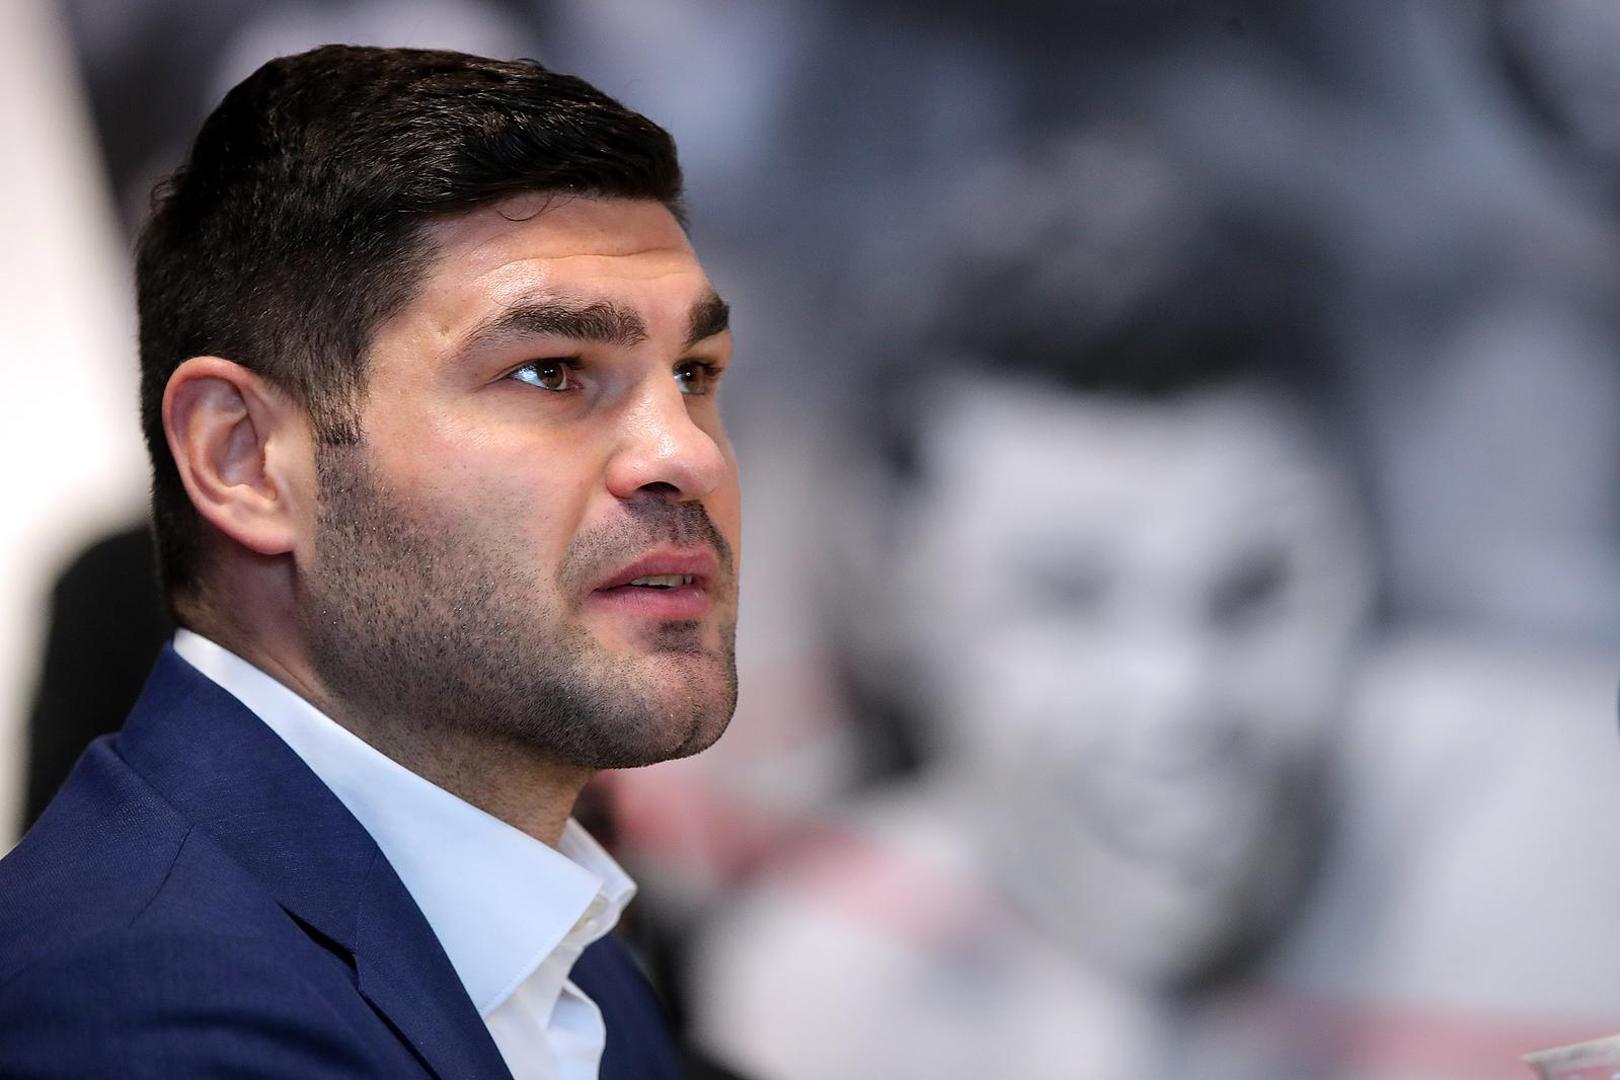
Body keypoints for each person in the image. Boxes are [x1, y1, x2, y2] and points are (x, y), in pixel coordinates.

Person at [0, 45, 741, 1080]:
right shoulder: (146, 1019)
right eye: (551, 371)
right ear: (245, 460)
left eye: (695, 373)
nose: (690, 454)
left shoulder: (553, 939)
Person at [690, 132, 1373, 1078]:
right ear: (894, 589)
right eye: (1066, 599)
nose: (1177, 697)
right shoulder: (831, 1001)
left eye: (1255, 592)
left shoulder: (1529, 855)